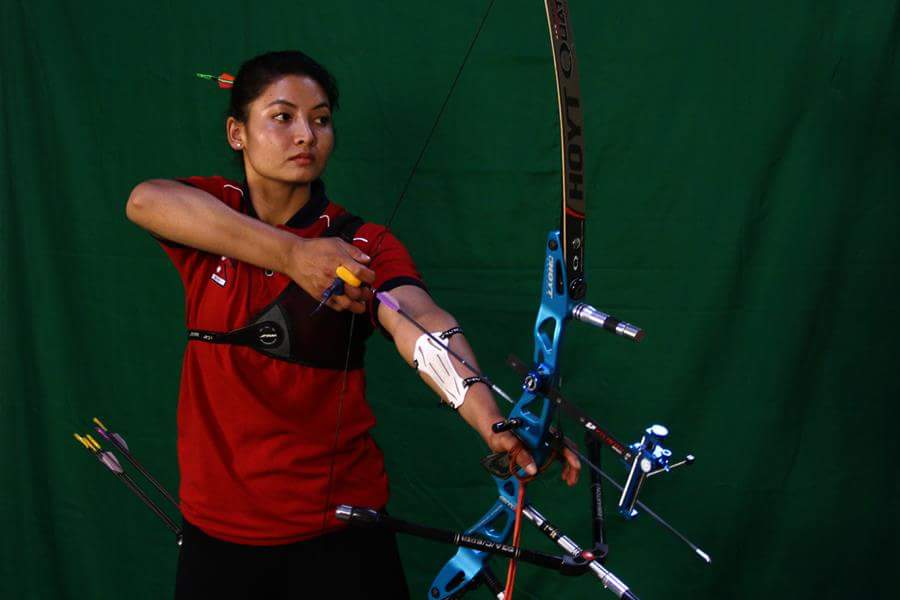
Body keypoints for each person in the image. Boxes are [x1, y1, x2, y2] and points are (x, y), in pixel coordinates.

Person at [126, 50, 580, 599]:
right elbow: (145, 201)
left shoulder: (361, 243)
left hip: (340, 535)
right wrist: (294, 255)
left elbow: (419, 320)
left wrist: (492, 421)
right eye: (282, 116)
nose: (306, 135)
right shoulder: (213, 213)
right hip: (217, 537)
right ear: (236, 133)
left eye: (320, 119)